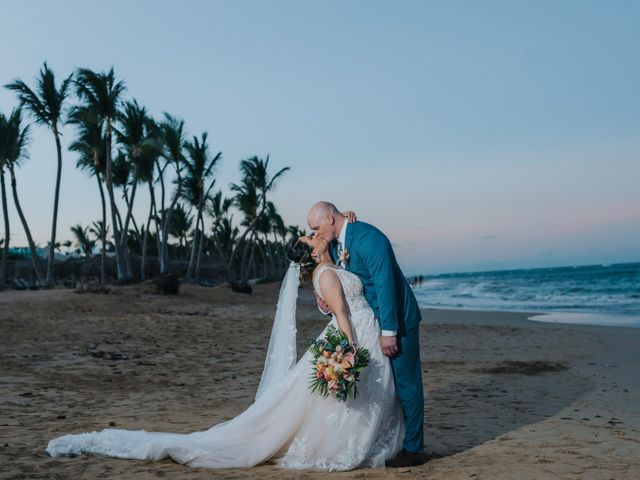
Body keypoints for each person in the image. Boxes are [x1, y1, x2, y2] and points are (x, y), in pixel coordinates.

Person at [45, 235, 404, 471]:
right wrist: (349, 348)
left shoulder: (332, 264)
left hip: (354, 329)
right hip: (349, 335)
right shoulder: (325, 273)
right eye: (310, 236)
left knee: (315, 403)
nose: (314, 234)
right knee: (321, 404)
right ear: (312, 251)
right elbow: (341, 313)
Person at [307, 201, 425, 468]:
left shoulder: (371, 239)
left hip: (397, 321)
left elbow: (386, 285)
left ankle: (415, 449)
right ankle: (397, 439)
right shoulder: (338, 242)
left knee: (406, 384)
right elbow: (341, 285)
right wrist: (323, 302)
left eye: (316, 227)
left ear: (330, 219)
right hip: (369, 321)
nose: (315, 233)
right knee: (387, 387)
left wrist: (390, 332)